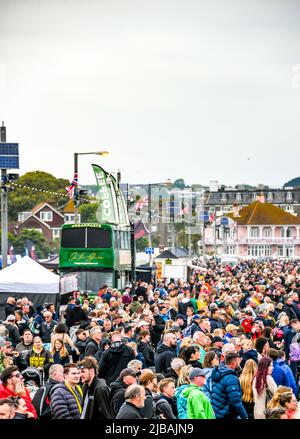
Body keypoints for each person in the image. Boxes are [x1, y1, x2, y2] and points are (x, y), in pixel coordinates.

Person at [210, 352, 248, 419]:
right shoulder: (231, 378)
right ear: (233, 364)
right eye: (238, 363)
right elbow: (235, 401)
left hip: (217, 412)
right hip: (225, 414)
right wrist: (245, 416)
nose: (239, 365)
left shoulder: (219, 372)